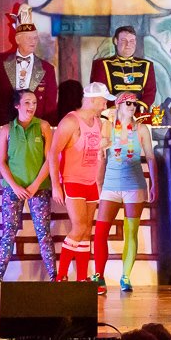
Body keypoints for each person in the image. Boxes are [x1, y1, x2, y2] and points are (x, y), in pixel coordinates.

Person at [0, 89, 57, 290]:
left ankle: (54, 276)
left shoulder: (43, 126)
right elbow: (1, 161)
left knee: (43, 233)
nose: (31, 106)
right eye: (27, 102)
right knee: (8, 232)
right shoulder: (7, 129)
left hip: (39, 187)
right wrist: (15, 186)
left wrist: (36, 184)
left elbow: (49, 159)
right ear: (17, 105)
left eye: (34, 103)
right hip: (13, 188)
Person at [51, 81, 112, 282]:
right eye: (103, 101)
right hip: (73, 181)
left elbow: (98, 155)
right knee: (78, 227)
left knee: (86, 231)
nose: (105, 105)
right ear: (92, 100)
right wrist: (56, 185)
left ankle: (82, 278)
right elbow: (53, 153)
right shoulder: (70, 121)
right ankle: (61, 276)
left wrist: (99, 181)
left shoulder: (99, 123)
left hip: (90, 182)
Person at [96, 92, 156, 294]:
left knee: (131, 232)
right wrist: (99, 181)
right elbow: (101, 157)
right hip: (111, 184)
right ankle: (99, 276)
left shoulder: (141, 129)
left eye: (134, 104)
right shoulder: (108, 126)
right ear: (119, 105)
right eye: (128, 103)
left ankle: (126, 277)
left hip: (134, 184)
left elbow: (150, 157)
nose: (132, 107)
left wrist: (153, 184)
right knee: (101, 231)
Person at [0, 3, 59, 125]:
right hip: (3, 128)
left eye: (35, 38)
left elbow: (50, 108)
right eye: (29, 38)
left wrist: (47, 131)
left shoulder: (47, 69)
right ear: (18, 39)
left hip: (34, 129)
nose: (33, 42)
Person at [89, 24, 158, 107]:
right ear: (115, 41)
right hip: (112, 111)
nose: (128, 44)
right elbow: (99, 93)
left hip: (138, 111)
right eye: (124, 40)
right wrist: (118, 107)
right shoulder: (102, 64)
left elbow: (150, 92)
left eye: (132, 41)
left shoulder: (147, 65)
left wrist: (138, 107)